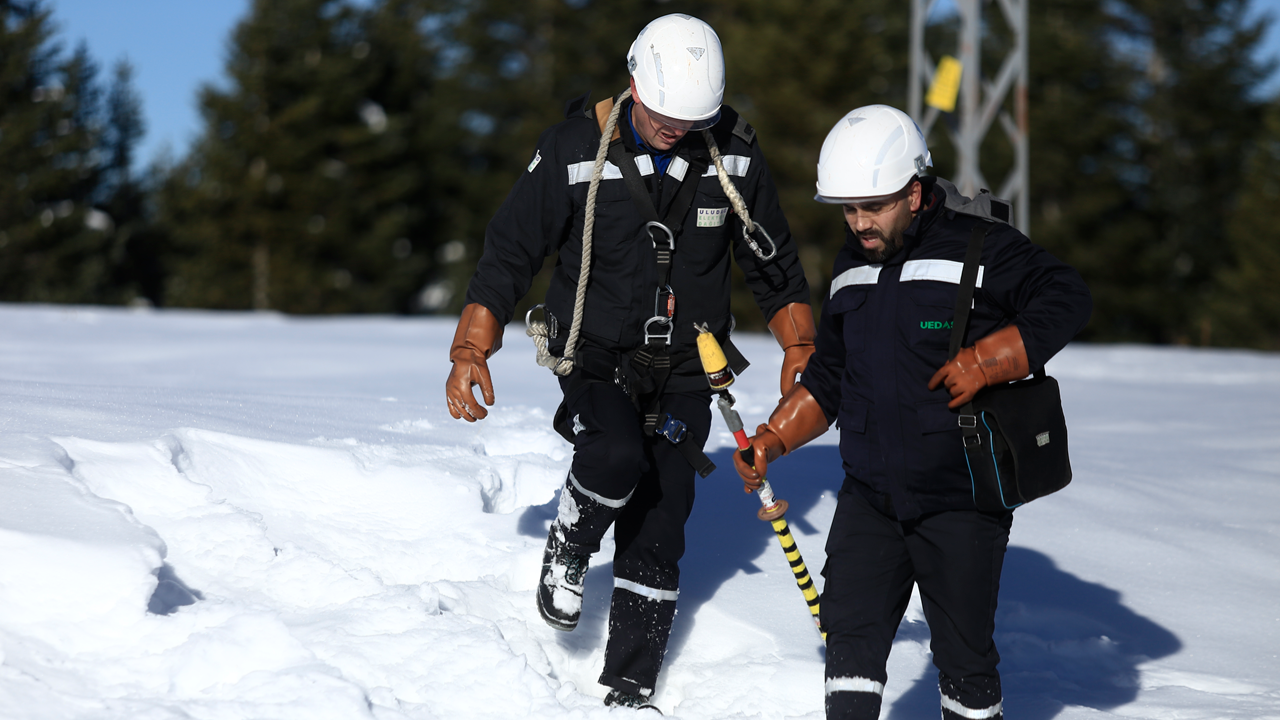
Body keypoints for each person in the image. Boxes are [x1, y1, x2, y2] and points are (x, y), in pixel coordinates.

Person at [444, 13, 813, 710]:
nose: (678, 127)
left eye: (691, 118)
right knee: (614, 456)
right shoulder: (573, 148)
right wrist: (471, 347)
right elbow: (510, 250)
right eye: (667, 114)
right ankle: (570, 548)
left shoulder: (734, 153)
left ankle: (630, 685)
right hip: (596, 352)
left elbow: (776, 264)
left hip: (687, 367)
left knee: (664, 514)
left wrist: (800, 345)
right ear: (636, 83)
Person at [733, 105, 1092, 720]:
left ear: (917, 192)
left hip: (962, 498)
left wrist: (989, 359)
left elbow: (1067, 296)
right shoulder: (850, 267)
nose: (860, 223)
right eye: (848, 208)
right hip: (870, 496)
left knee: (965, 660)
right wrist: (772, 439)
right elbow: (831, 378)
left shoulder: (983, 247)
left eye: (874, 206)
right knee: (848, 645)